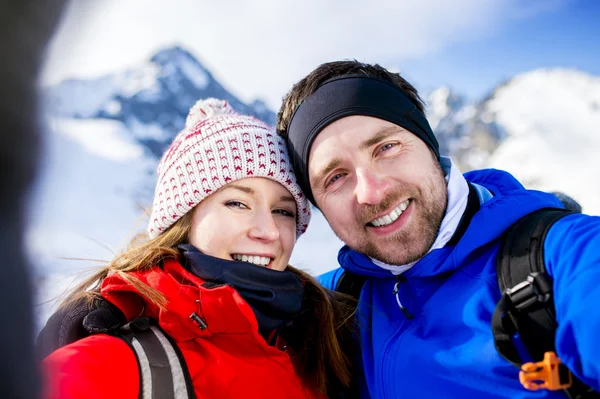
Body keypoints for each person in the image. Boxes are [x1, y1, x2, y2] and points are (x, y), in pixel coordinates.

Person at [276, 61, 600, 398]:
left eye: (386, 148)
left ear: (430, 145)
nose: (372, 192)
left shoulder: (563, 257)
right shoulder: (331, 304)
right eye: (335, 177)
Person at [42, 98, 357, 399]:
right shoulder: (109, 364)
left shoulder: (326, 342)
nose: (268, 230)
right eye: (237, 203)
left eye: (283, 211)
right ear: (184, 219)